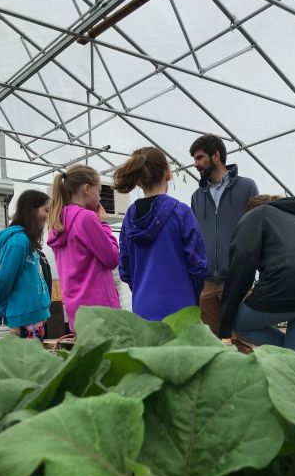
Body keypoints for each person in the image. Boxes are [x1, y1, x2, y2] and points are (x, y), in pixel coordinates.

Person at [219, 194, 295, 353]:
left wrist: (225, 320)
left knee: (240, 323)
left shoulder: (258, 213)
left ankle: (288, 356)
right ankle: (294, 356)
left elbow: (242, 260)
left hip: (294, 281)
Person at [114, 146, 207, 320]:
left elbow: (125, 270)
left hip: (143, 309)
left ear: (139, 180)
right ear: (168, 173)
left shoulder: (129, 219)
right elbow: (198, 265)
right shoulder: (181, 212)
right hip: (181, 310)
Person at [189, 134, 258, 351]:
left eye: (199, 157)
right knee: (209, 346)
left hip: (238, 278)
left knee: (244, 342)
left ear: (216, 155)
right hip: (206, 282)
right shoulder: (196, 197)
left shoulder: (246, 187)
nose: (195, 164)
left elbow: (257, 230)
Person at [47, 164, 120, 331]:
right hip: (100, 311)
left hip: (76, 311)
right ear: (87, 189)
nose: (100, 198)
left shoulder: (57, 222)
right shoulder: (85, 218)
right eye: (99, 192)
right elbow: (112, 258)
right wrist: (104, 224)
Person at [0, 189, 51, 342]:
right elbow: (5, 279)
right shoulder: (19, 242)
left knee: (34, 361)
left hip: (34, 313)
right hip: (25, 316)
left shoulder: (27, 241)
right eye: (46, 210)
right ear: (32, 210)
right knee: (29, 362)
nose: (48, 215)